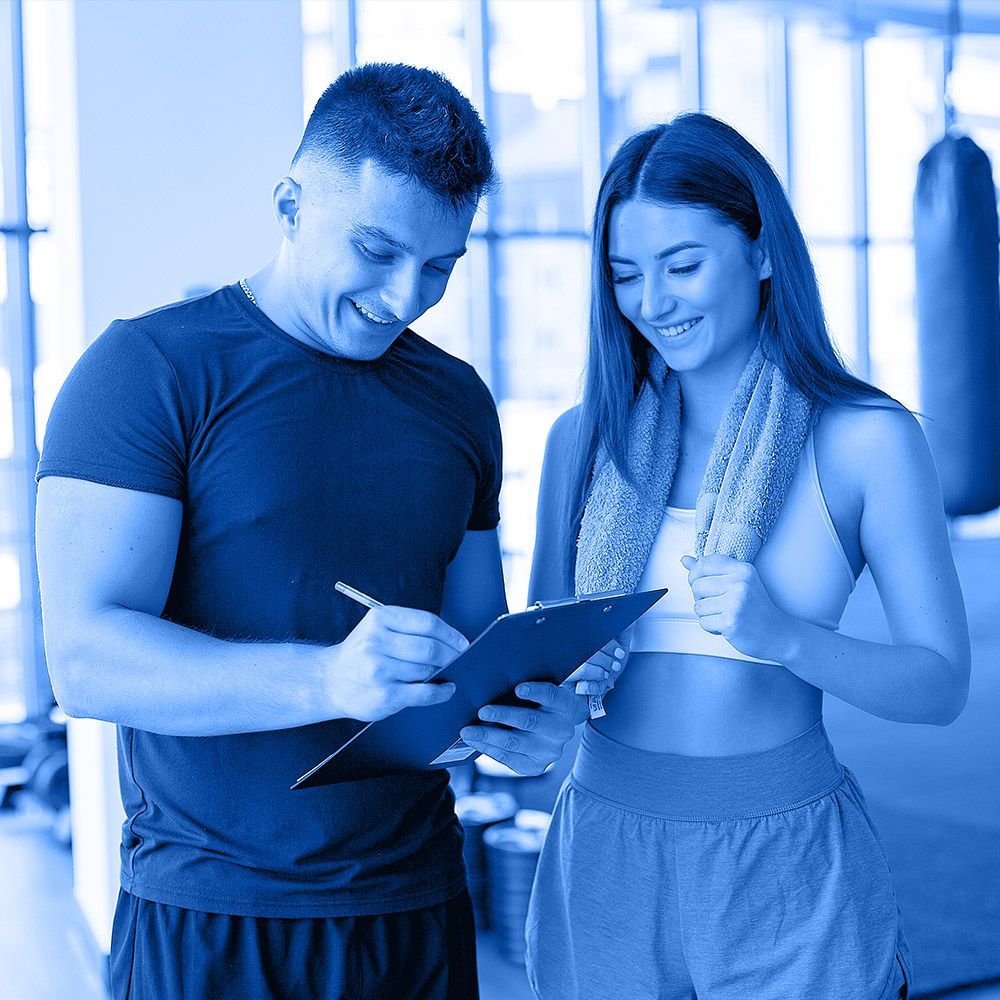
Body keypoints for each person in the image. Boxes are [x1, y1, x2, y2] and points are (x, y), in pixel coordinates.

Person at [34, 63, 587, 1000]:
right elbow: (84, 659)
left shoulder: (456, 401)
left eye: (441, 266)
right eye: (376, 250)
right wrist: (328, 678)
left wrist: (519, 726)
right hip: (214, 918)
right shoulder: (146, 371)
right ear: (290, 202)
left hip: (415, 908)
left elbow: (472, 647)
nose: (407, 296)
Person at [524, 113, 971, 1000]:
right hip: (605, 844)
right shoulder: (583, 441)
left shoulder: (868, 441)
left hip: (786, 857)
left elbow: (940, 685)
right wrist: (536, 716)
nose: (653, 302)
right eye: (625, 275)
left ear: (763, 254)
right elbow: (543, 670)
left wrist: (787, 636)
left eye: (683, 265)